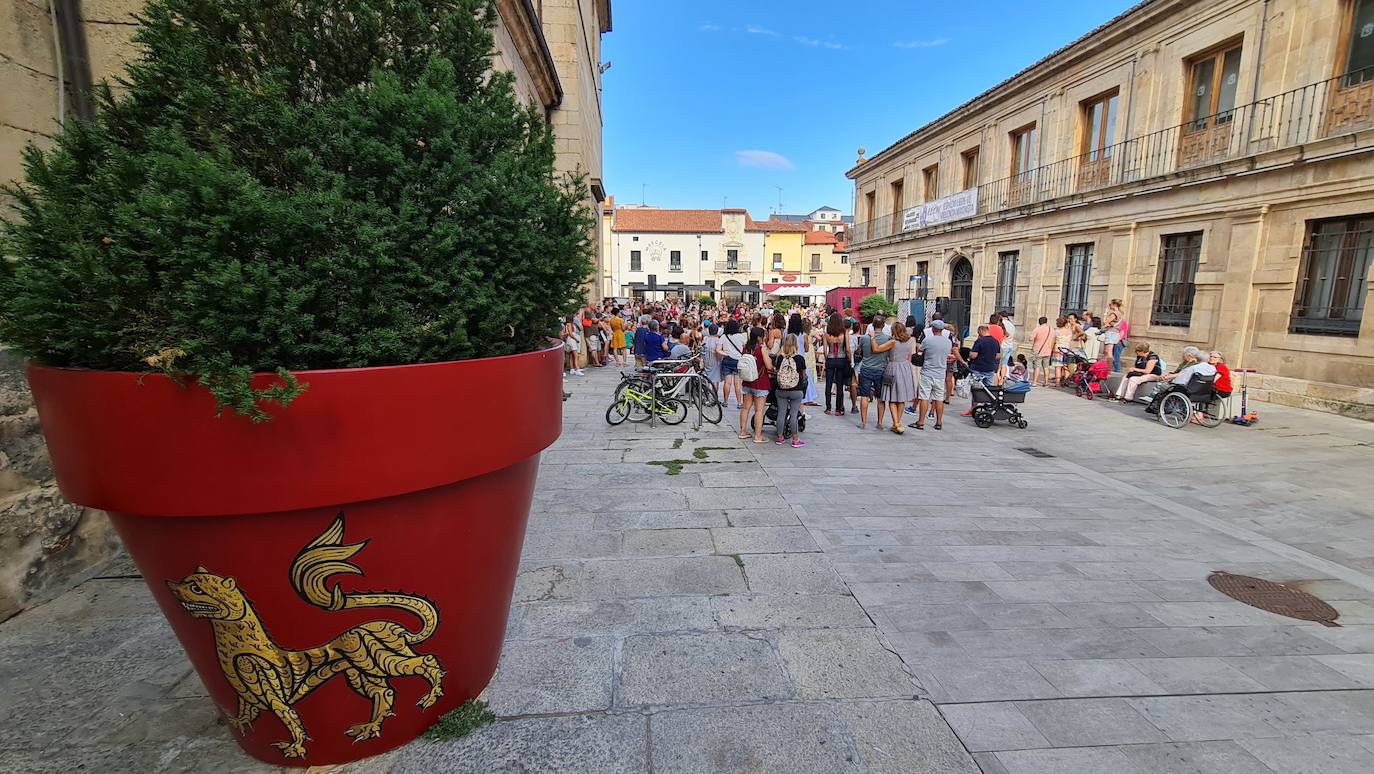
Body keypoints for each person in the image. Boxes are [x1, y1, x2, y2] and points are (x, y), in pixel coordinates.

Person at [1145, 346, 1217, 414]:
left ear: (1197, 358)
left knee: (1165, 387)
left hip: (1189, 389)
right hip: (1205, 390)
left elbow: (1183, 379)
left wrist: (1172, 381)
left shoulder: (1194, 368)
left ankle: (1157, 406)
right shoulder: (1213, 368)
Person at [854, 319, 892, 431]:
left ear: (872, 325)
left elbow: (859, 350)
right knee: (880, 397)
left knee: (864, 396)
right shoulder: (887, 339)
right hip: (880, 369)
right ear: (884, 326)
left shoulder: (865, 338)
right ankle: (880, 423)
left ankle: (863, 422)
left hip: (866, 368)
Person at [738, 326, 774, 443]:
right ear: (759, 337)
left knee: (745, 408)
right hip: (760, 382)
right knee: (759, 411)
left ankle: (743, 432)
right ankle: (758, 436)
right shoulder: (761, 349)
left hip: (747, 382)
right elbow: (769, 366)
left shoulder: (746, 348)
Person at [915, 320, 952, 430]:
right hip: (940, 372)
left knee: (924, 397)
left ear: (932, 329)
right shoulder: (948, 342)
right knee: (939, 398)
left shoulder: (928, 340)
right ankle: (939, 422)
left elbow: (920, 350)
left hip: (927, 371)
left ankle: (921, 421)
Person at [772, 334, 808, 447]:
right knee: (793, 414)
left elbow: (777, 372)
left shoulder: (780, 358)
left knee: (781, 413)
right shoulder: (800, 358)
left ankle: (780, 437)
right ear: (796, 344)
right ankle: (795, 439)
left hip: (781, 390)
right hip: (796, 391)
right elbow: (804, 375)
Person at [881, 322, 917, 435]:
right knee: (901, 398)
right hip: (905, 368)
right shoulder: (909, 342)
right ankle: (897, 422)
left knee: (892, 397)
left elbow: (880, 350)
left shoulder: (892, 342)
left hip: (893, 367)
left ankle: (896, 423)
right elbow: (909, 358)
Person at [960, 325, 1002, 416]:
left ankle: (973, 408)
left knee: (976, 390)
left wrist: (971, 354)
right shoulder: (995, 342)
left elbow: (973, 355)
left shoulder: (979, 341)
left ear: (981, 332)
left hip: (978, 368)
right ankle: (988, 406)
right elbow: (998, 356)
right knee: (989, 389)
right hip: (990, 368)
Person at [822, 314, 851, 416]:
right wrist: (849, 359)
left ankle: (828, 408)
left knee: (828, 384)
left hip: (830, 359)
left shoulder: (826, 334)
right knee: (839, 385)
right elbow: (847, 349)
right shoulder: (844, 333)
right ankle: (838, 409)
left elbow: (825, 351)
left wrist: (827, 360)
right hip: (841, 359)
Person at [717, 319, 746, 409]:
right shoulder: (741, 337)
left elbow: (718, 350)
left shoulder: (723, 337)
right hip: (738, 361)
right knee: (737, 383)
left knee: (727, 383)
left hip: (727, 360)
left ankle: (725, 401)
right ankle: (739, 402)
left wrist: (726, 353)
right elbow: (744, 347)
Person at [1029, 316, 1055, 386]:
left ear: (1039, 322)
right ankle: (1046, 382)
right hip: (1048, 351)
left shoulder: (1037, 329)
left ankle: (1035, 382)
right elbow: (1053, 340)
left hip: (1037, 350)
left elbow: (1031, 339)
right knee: (1046, 367)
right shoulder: (1051, 329)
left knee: (1037, 367)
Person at [1103, 299, 1127, 372]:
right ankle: (1108, 368)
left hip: (1111, 333)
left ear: (1114, 305)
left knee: (1108, 352)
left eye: (1110, 304)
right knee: (1108, 352)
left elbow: (1105, 322)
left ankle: (1108, 369)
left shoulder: (1114, 314)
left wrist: (1106, 313)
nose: (1109, 306)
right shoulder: (1120, 314)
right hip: (1114, 333)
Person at [1052, 316, 1075, 387]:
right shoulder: (1069, 331)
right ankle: (1066, 381)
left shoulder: (1057, 331)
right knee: (1066, 366)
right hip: (1067, 350)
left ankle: (1057, 382)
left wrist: (1051, 349)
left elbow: (1053, 341)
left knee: (1058, 367)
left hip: (1058, 350)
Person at [703, 324, 722, 397]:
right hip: (716, 362)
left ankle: (706, 396)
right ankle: (714, 397)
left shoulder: (705, 339)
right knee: (715, 380)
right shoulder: (718, 341)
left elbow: (702, 350)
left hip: (706, 361)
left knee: (706, 378)